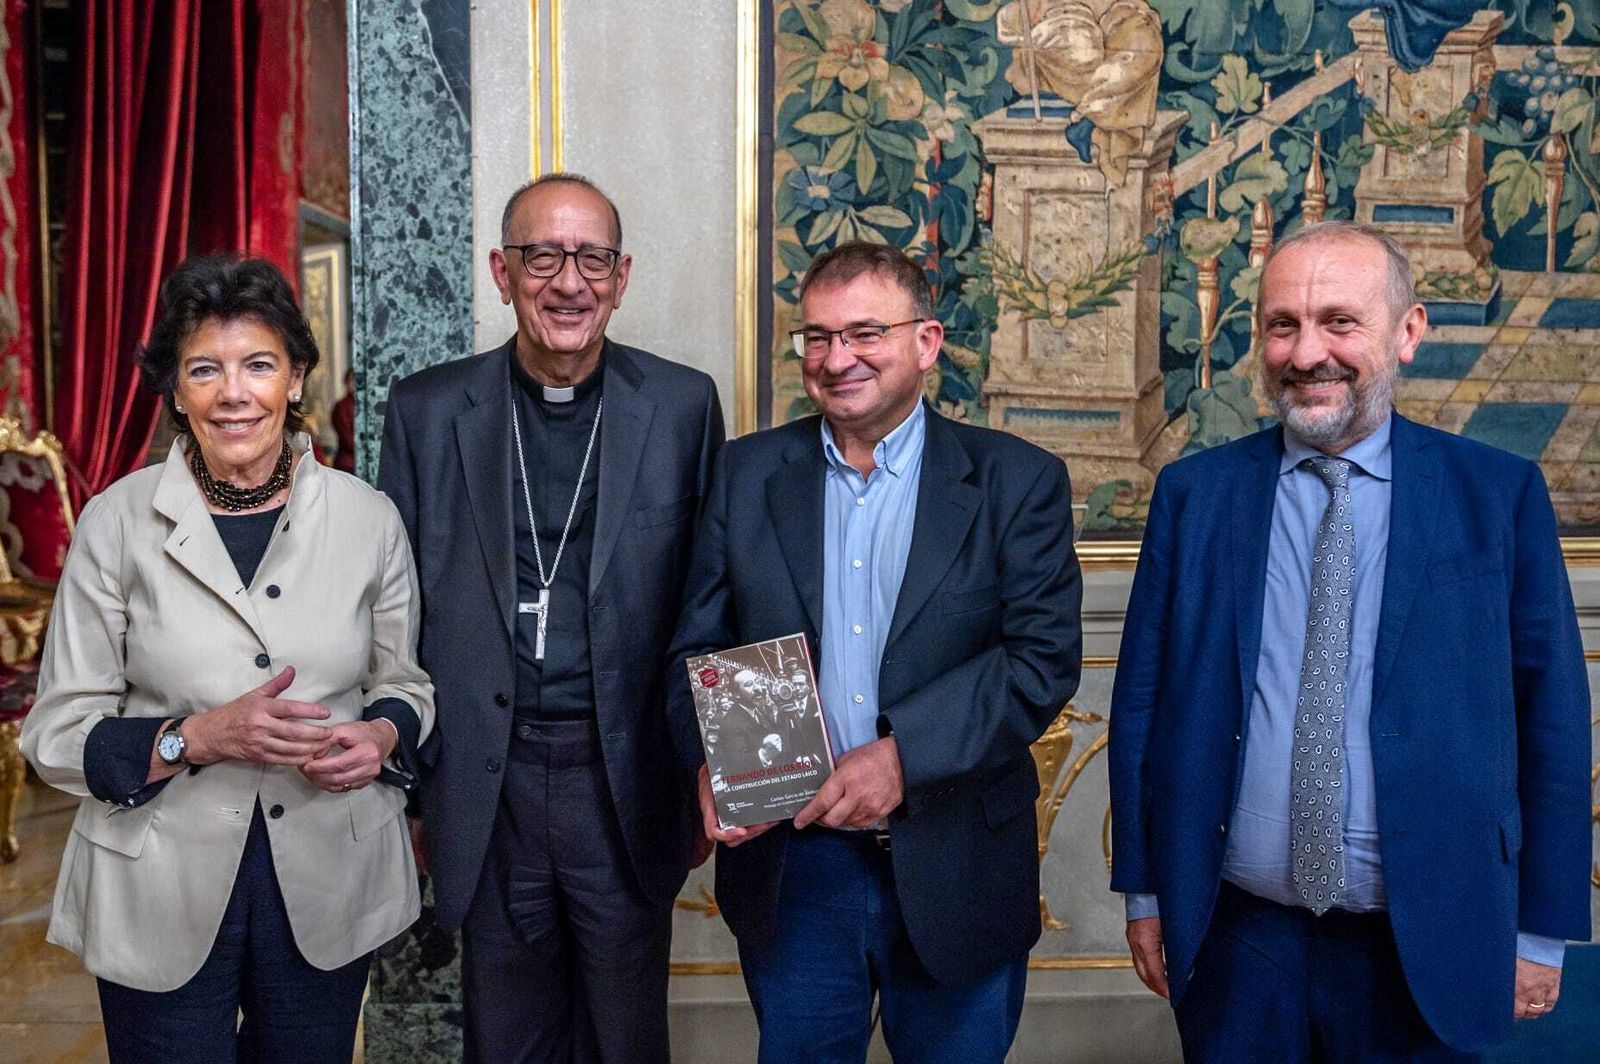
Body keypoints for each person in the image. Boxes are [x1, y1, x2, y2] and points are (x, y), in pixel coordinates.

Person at [1107, 220, 1592, 1062]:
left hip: (1429, 940)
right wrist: (1145, 890)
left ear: (1407, 334)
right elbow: (1143, 704)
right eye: (1283, 325)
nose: (1306, 353)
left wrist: (1543, 930)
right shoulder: (1195, 496)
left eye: (1340, 321)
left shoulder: (1497, 496)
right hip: (1236, 939)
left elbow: (1550, 719)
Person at [667, 241, 1082, 1063]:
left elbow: (1038, 661)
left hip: (956, 858)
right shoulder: (748, 474)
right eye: (817, 337)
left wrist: (903, 758)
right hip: (797, 869)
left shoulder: (1016, 481)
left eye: (865, 333)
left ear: (925, 343)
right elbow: (700, 645)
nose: (836, 359)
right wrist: (712, 759)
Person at [20, 255, 434, 1063]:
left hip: (327, 877)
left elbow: (403, 683)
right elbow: (56, 732)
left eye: (258, 365)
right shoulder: (115, 522)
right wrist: (195, 738)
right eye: (204, 369)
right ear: (176, 392)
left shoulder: (368, 519)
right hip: (157, 885)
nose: (233, 392)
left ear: (295, 378)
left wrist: (382, 737)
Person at [379, 172, 724, 1064]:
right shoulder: (424, 411)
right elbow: (395, 611)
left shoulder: (683, 407)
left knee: (625, 1034)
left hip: (622, 776)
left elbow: (712, 597)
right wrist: (415, 788)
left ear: (622, 275)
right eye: (543, 256)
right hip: (487, 781)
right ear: (502, 271)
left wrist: (709, 765)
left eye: (592, 258)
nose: (569, 282)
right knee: (506, 1036)